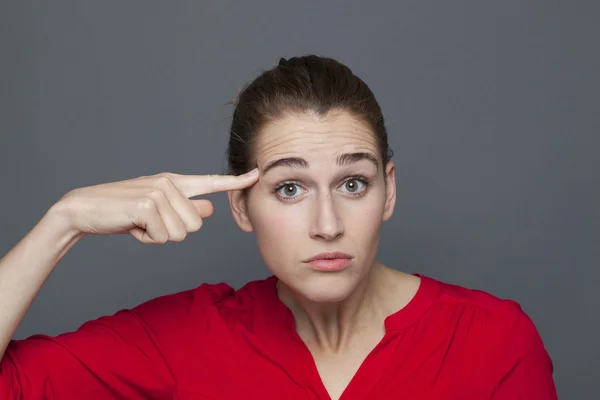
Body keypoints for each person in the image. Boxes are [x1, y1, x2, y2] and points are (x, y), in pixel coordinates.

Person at [0, 55, 557, 399]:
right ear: (242, 207)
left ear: (389, 190)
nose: (327, 225)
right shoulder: (188, 340)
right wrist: (64, 221)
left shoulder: (492, 341)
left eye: (353, 184)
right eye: (289, 189)